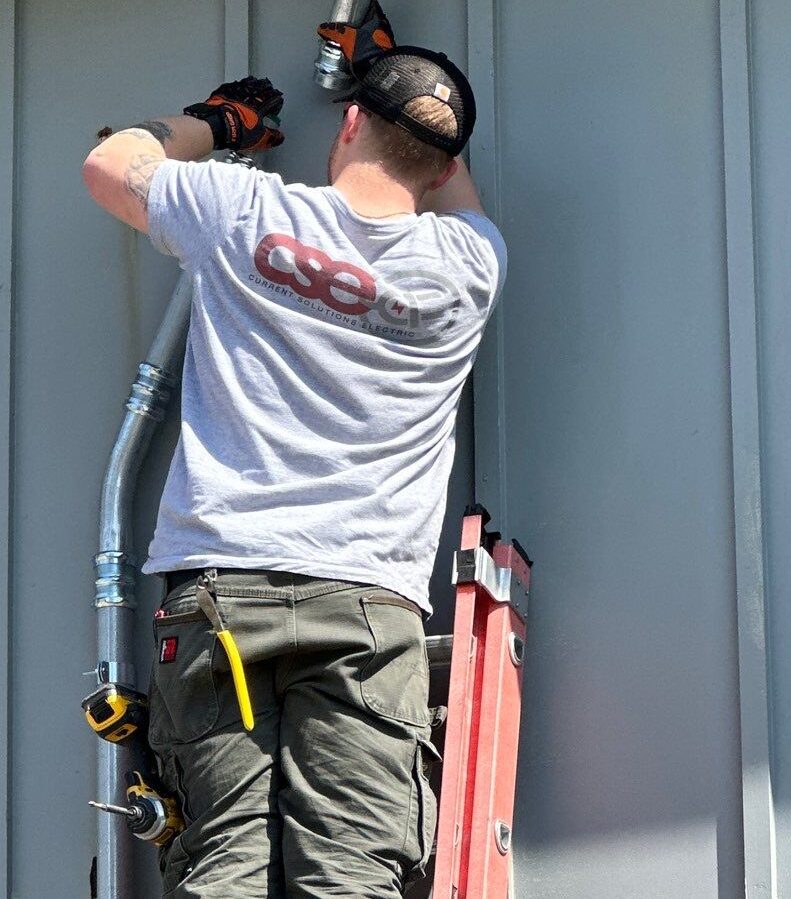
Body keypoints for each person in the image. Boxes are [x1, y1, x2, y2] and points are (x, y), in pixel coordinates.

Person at [82, 5, 506, 897]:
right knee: (350, 877)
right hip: (366, 604)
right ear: (441, 164)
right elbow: (449, 177)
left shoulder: (240, 208)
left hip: (222, 593)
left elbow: (113, 161)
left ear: (348, 123)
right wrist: (397, 77)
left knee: (222, 866)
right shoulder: (470, 264)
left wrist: (218, 121)